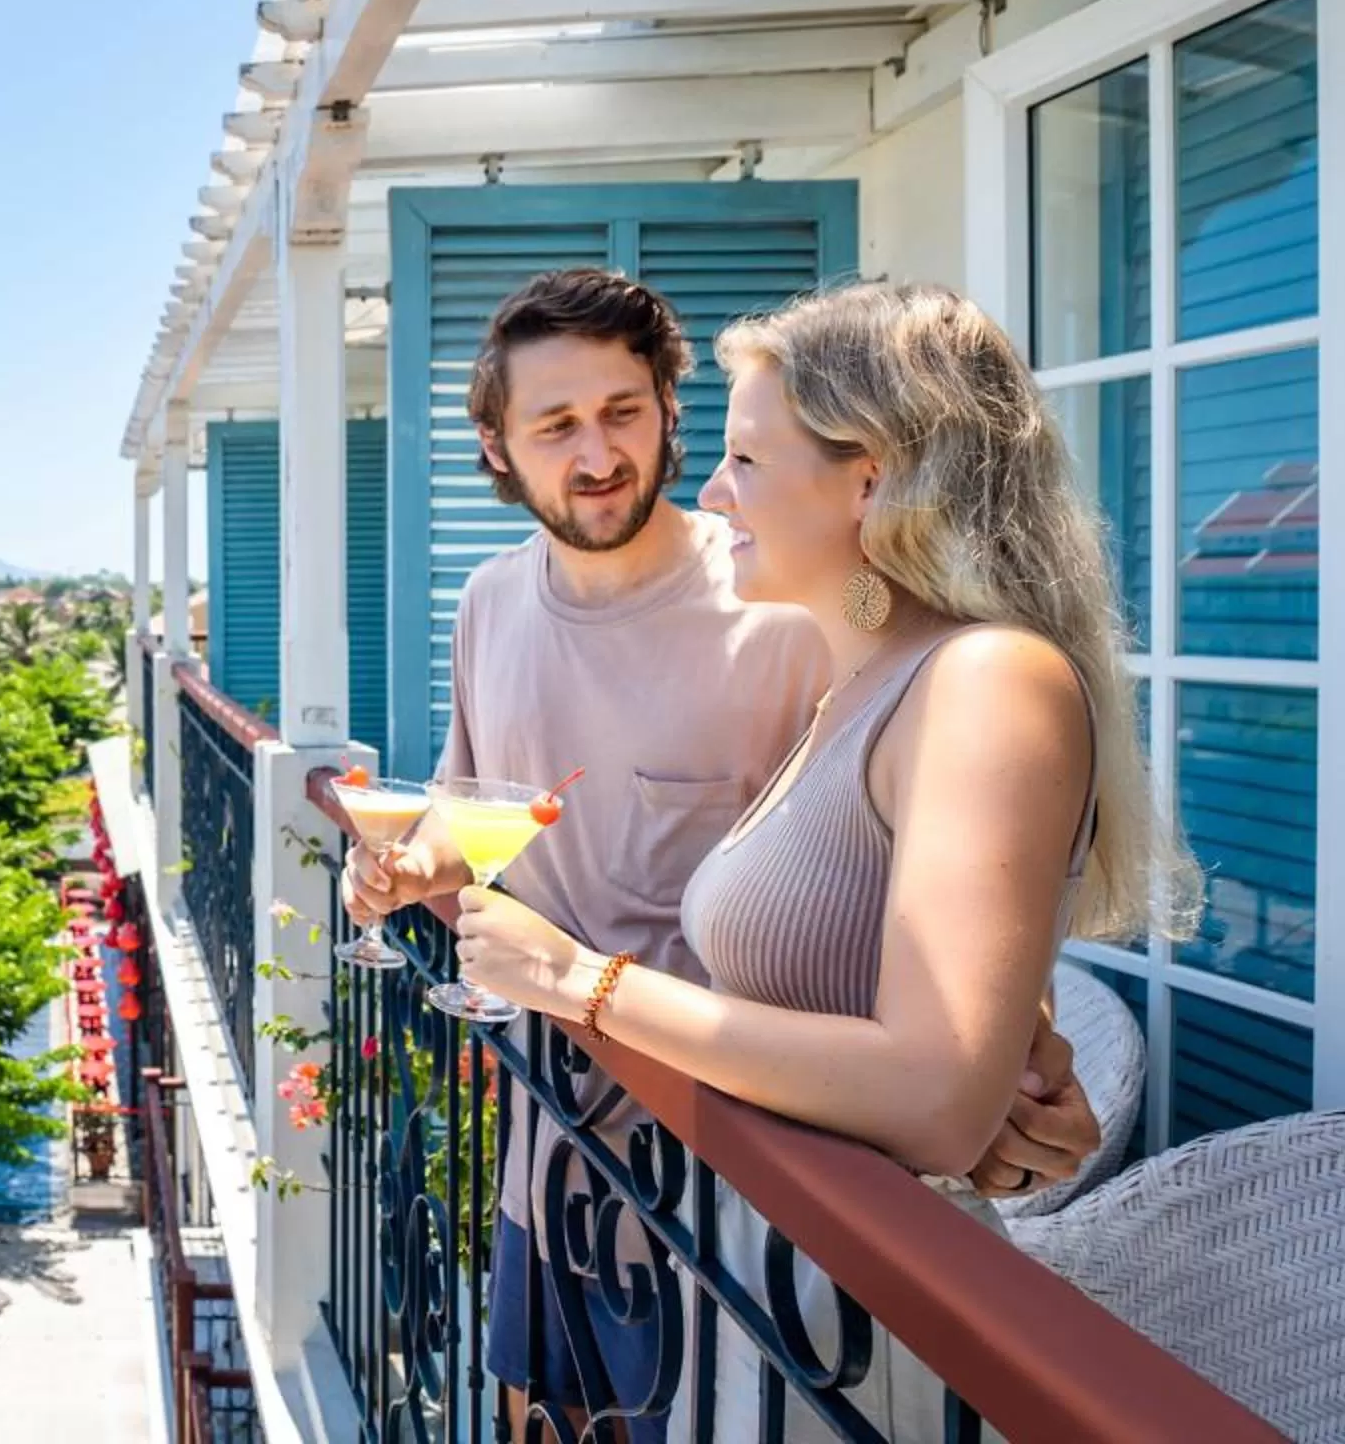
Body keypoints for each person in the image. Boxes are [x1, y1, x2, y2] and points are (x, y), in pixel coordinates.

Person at [341, 269, 1099, 1441]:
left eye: (738, 454)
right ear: (498, 444)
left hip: (781, 1242)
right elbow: (870, 894)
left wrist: (1008, 1051)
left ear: (874, 473)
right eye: (556, 425)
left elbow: (937, 959)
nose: (622, 461)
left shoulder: (861, 640)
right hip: (588, 1165)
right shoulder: (506, 603)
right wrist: (411, 867)